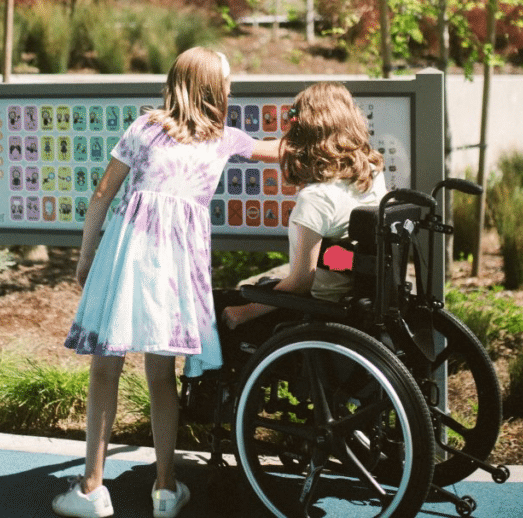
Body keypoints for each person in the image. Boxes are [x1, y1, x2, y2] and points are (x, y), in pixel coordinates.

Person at [52, 47, 281, 518]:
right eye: (228, 81)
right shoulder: (224, 139)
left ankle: (91, 488)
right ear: (213, 89)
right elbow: (281, 151)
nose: (232, 88)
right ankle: (165, 489)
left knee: (105, 369)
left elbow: (102, 194)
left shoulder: (145, 128)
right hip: (175, 271)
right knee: (161, 378)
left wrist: (86, 256)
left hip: (125, 259)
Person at [222, 81, 386, 330]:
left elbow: (300, 283)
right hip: (359, 298)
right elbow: (342, 258)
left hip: (322, 309)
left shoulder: (316, 199)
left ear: (306, 131)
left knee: (224, 303)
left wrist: (244, 312)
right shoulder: (372, 172)